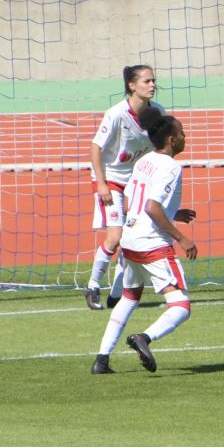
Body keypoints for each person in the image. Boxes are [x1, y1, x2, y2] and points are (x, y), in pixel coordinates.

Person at [91, 107, 197, 375]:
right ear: (172, 140)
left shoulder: (144, 160)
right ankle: (144, 338)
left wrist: (175, 213)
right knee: (181, 306)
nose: (185, 136)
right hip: (153, 244)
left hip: (130, 238)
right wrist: (182, 238)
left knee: (129, 297)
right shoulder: (171, 167)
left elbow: (136, 199)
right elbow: (152, 207)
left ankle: (101, 360)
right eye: (182, 132)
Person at [84, 64, 163, 311]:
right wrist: (101, 183)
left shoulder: (158, 113)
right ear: (132, 85)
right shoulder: (117, 114)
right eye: (147, 81)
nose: (152, 85)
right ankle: (93, 286)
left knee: (132, 238)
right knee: (116, 236)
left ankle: (117, 295)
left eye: (153, 81)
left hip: (136, 185)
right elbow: (95, 148)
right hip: (113, 181)